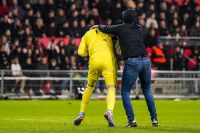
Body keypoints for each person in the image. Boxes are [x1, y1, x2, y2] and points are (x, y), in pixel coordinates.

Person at [92, 9, 159, 127]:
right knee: (147, 90)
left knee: (125, 92)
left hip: (132, 61)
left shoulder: (122, 28)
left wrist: (98, 26)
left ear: (125, 18)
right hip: (145, 60)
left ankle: (131, 120)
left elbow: (107, 28)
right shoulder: (138, 29)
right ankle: (154, 119)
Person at [74, 28, 119, 127]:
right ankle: (109, 112)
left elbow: (81, 52)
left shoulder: (87, 34)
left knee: (89, 87)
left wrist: (90, 51)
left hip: (94, 61)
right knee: (111, 87)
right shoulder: (107, 31)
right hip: (108, 61)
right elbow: (119, 37)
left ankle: (81, 114)